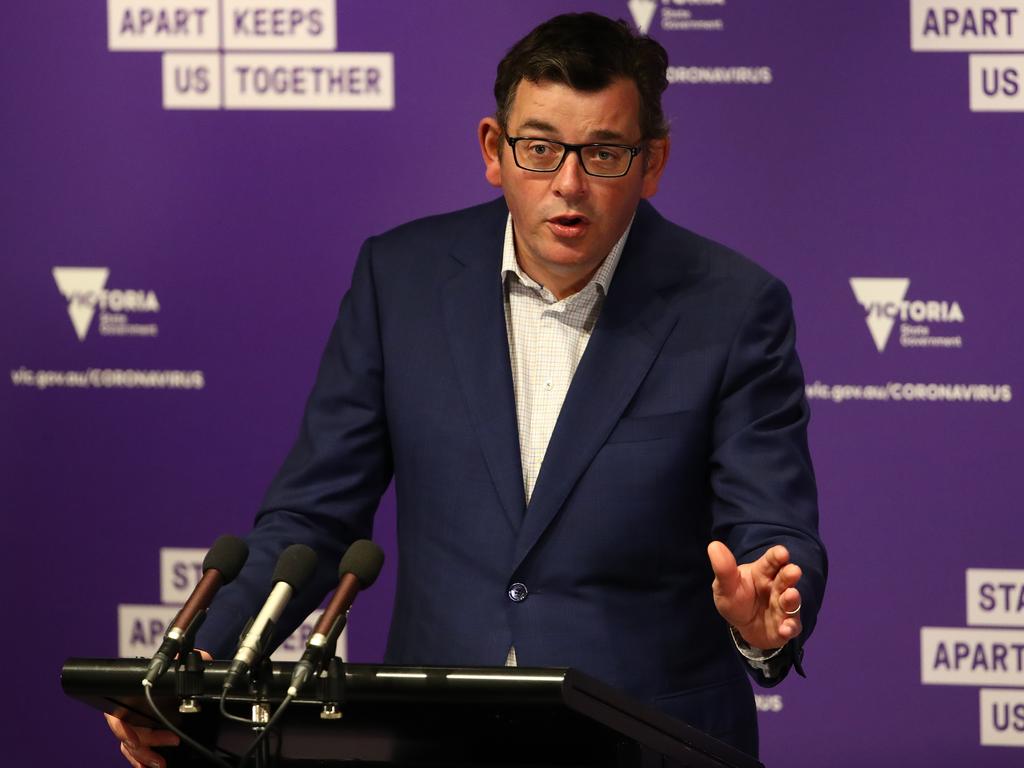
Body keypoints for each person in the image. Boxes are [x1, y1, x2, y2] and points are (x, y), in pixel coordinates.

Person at [108, 11, 825, 765]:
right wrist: (200, 666)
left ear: (653, 163)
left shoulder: (733, 306)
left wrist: (763, 613)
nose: (569, 184)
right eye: (541, 148)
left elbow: (773, 530)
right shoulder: (402, 282)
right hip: (436, 736)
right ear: (495, 150)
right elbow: (313, 520)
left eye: (605, 153)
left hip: (647, 740)